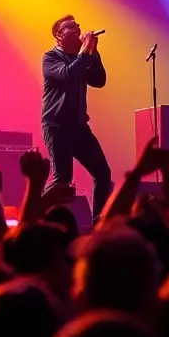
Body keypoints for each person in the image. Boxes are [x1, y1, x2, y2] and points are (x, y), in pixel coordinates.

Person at [41, 16, 111, 221]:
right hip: (57, 125)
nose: (78, 29)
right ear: (58, 36)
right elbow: (69, 74)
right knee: (62, 180)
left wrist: (94, 52)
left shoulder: (82, 58)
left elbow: (99, 81)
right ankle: (33, 212)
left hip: (79, 127)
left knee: (102, 173)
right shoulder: (51, 58)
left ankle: (98, 222)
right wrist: (85, 54)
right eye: (71, 27)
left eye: (78, 26)